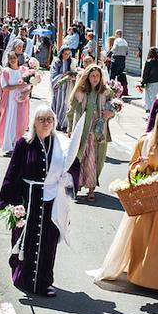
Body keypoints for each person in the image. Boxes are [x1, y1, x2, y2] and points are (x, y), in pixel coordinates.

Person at [93, 107, 158, 294]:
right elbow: (132, 170)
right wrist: (142, 165)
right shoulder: (144, 142)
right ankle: (137, 274)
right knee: (141, 235)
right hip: (147, 198)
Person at [0, 106, 74, 297]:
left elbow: (74, 167)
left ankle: (44, 282)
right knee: (26, 238)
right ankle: (22, 277)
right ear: (34, 121)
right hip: (28, 197)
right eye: (41, 119)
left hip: (52, 200)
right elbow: (12, 172)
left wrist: (69, 179)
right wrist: (8, 202)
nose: (46, 122)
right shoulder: (24, 143)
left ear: (55, 122)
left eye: (49, 119)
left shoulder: (61, 144)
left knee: (47, 241)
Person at [67, 64, 114, 201]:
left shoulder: (106, 92)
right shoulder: (80, 92)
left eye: (97, 76)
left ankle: (91, 189)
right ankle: (77, 184)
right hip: (83, 131)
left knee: (96, 160)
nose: (95, 78)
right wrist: (70, 128)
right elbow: (71, 111)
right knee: (80, 158)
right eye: (92, 76)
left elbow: (114, 108)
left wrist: (110, 114)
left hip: (99, 132)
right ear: (87, 77)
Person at [0, 52, 31, 154]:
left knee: (21, 122)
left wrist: (26, 92)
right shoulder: (5, 71)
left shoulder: (24, 70)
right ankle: (9, 146)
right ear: (8, 60)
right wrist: (19, 86)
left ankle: (18, 144)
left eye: (14, 58)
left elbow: (30, 85)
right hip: (10, 101)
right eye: (10, 58)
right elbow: (5, 87)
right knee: (10, 122)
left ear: (18, 58)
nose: (13, 60)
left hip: (21, 101)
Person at [49, 46, 78, 132]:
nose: (67, 56)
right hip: (59, 86)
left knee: (66, 105)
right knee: (58, 104)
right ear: (61, 53)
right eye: (65, 54)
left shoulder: (71, 62)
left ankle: (64, 124)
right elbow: (53, 75)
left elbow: (75, 71)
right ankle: (56, 123)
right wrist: (63, 75)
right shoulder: (57, 62)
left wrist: (73, 75)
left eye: (68, 54)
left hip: (68, 86)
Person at [139, 47, 158, 112]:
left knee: (148, 95)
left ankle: (151, 109)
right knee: (153, 95)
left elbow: (146, 73)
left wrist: (142, 83)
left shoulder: (149, 62)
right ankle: (150, 108)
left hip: (150, 80)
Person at [108, 30, 129, 97]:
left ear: (117, 34)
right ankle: (120, 90)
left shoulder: (117, 41)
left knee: (112, 75)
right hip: (122, 60)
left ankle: (111, 89)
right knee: (120, 75)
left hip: (116, 59)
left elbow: (114, 49)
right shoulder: (125, 41)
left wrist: (109, 54)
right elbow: (127, 52)